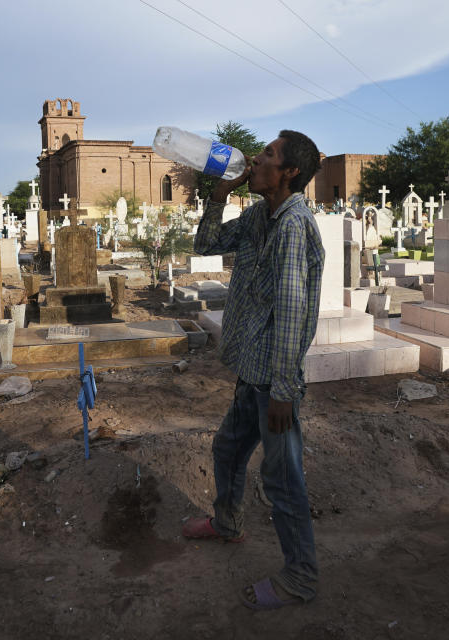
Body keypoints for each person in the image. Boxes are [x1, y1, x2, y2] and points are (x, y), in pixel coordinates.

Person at [182, 130, 325, 610]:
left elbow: (290, 309)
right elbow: (206, 242)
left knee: (283, 479)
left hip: (274, 379)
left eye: (267, 155)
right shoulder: (260, 216)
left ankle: (300, 578)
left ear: (288, 173)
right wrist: (217, 198)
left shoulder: (290, 226)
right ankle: (227, 523)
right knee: (228, 447)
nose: (255, 160)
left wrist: (284, 387)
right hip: (252, 368)